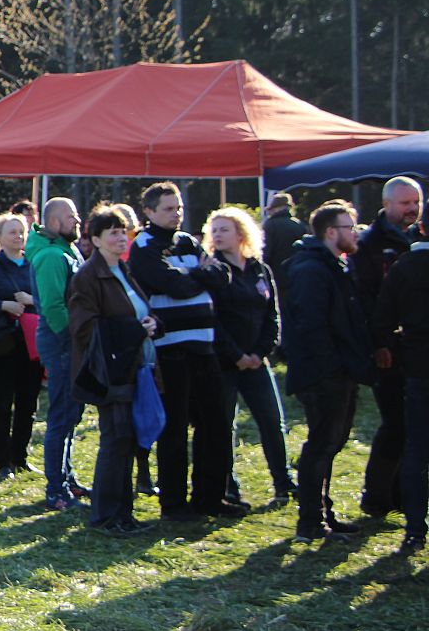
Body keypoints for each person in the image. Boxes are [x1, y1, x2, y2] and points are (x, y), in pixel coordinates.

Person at [129, 182, 237, 522]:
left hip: (203, 345)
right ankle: (173, 503)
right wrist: (199, 273)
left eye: (178, 208)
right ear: (149, 212)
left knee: (215, 423)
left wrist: (194, 273)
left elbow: (223, 275)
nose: (176, 214)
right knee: (174, 427)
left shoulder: (188, 241)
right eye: (168, 209)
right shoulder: (144, 245)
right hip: (170, 348)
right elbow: (171, 284)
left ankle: (210, 497)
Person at [284, 201, 374, 543]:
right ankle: (310, 521)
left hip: (336, 370)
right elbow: (311, 324)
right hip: (323, 373)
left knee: (331, 443)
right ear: (331, 232)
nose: (356, 233)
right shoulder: (311, 269)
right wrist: (332, 367)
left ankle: (323, 513)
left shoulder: (333, 265)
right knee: (321, 444)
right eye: (350, 227)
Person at [67, 207, 160, 536]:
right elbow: (83, 328)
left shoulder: (122, 269)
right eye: (113, 233)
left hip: (134, 366)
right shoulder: (87, 277)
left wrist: (152, 323)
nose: (122, 238)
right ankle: (105, 516)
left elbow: (139, 311)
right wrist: (134, 329)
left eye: (124, 232)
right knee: (115, 439)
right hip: (110, 370)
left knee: (127, 440)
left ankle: (123, 513)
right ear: (95, 240)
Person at [204, 206, 296, 507]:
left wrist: (259, 352)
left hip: (257, 361)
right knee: (224, 424)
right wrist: (236, 355)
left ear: (241, 233)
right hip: (225, 363)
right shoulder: (213, 271)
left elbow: (272, 315)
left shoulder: (260, 269)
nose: (217, 235)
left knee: (272, 421)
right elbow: (213, 319)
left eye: (224, 229)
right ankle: (228, 486)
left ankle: (283, 481)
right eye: (214, 230)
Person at [355, 176, 423, 519]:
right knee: (394, 423)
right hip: (388, 347)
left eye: (416, 203)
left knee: (414, 426)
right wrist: (380, 342)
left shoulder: (417, 239)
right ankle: (377, 495)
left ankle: (402, 494)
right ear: (386, 204)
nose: (411, 209)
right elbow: (368, 299)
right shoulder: (369, 244)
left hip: (416, 347)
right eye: (405, 203)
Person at [371, 222, 429, 555]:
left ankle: (415, 530)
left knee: (417, 450)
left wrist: (392, 346)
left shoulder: (404, 267)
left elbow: (382, 318)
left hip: (419, 367)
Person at [28, 197, 85, 510]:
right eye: (71, 216)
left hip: (69, 341)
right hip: (62, 341)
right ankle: (56, 489)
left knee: (71, 413)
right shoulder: (51, 255)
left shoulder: (65, 249)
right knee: (62, 415)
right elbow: (53, 307)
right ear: (53, 222)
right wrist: (76, 338)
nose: (78, 221)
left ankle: (68, 478)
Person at [0, 212, 42, 480]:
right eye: (12, 232)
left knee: (29, 403)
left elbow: (49, 299)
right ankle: (3, 461)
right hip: (3, 344)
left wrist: (31, 300)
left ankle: (20, 456)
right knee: (2, 403)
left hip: (31, 343)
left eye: (22, 231)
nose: (18, 236)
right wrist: (4, 305)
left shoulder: (34, 264)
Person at [262, 192, 308, 288]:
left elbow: (265, 253)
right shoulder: (299, 225)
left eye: (271, 209)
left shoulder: (270, 225)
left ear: (276, 209)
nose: (269, 212)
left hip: (276, 277)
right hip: (298, 275)